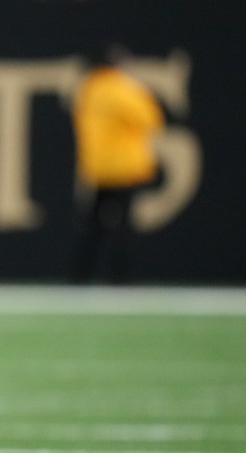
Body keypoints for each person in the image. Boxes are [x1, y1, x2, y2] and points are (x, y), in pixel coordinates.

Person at [71, 43, 164, 284]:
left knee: (94, 227)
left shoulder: (88, 88)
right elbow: (151, 119)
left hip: (98, 169)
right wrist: (135, 88)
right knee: (122, 227)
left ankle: (81, 277)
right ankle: (120, 279)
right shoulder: (122, 89)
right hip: (124, 170)